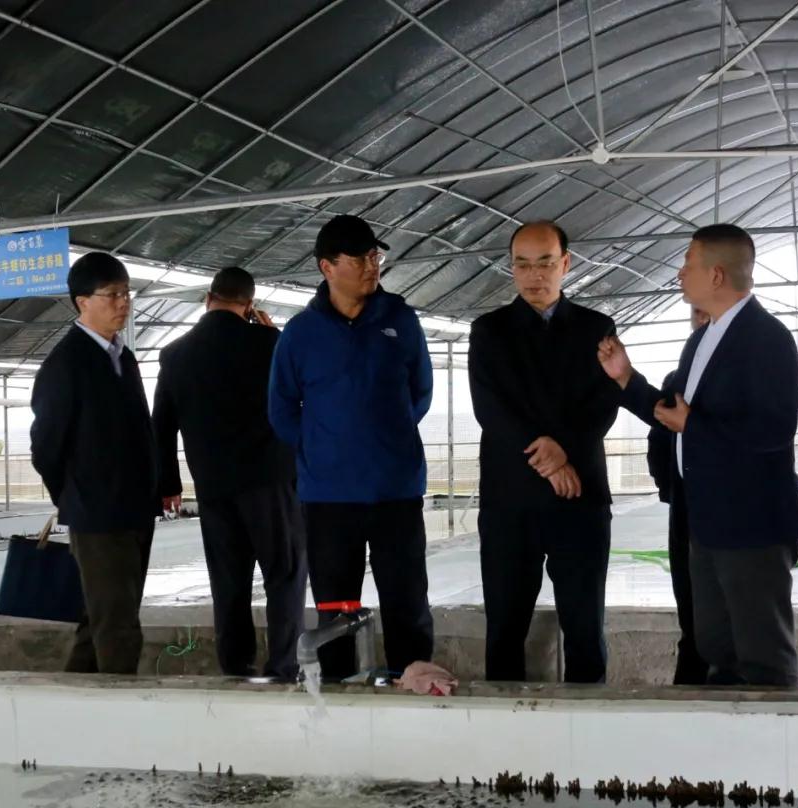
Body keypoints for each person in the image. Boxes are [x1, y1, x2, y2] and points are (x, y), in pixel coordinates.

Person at [599, 223, 798, 688]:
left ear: (716, 275)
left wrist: (695, 426)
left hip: (752, 525)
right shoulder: (702, 339)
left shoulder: (767, 338)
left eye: (688, 263)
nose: (679, 273)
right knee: (716, 650)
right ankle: (725, 732)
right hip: (705, 520)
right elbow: (672, 413)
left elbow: (772, 430)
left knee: (763, 657)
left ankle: (773, 733)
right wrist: (627, 379)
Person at [269, 214, 434, 679]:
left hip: (395, 490)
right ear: (327, 267)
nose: (371, 266)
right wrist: (324, 448)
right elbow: (282, 408)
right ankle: (337, 689)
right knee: (336, 608)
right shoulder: (300, 333)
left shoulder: (400, 320)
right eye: (359, 259)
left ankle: (412, 682)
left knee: (407, 599)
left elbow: (420, 392)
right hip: (329, 498)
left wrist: (386, 435)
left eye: (374, 256)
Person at [469, 220, 622, 683]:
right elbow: (490, 409)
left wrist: (564, 450)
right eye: (522, 265)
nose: (534, 275)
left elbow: (604, 403)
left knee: (585, 630)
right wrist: (549, 457)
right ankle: (505, 725)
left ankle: (589, 719)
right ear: (511, 267)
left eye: (545, 263)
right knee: (504, 630)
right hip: (510, 504)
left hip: (580, 500)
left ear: (565, 264)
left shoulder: (596, 328)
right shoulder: (489, 331)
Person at [152, 267, 307, 682]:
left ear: (208, 298)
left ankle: (237, 667)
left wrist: (168, 485)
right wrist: (272, 334)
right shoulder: (270, 343)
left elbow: (161, 425)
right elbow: (301, 396)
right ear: (250, 305)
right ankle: (283, 666)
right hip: (271, 481)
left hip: (214, 486)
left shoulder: (175, 354)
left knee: (228, 581)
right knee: (284, 574)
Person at [30, 252, 158, 674]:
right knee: (118, 627)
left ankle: (74, 700)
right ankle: (120, 706)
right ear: (82, 301)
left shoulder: (124, 357)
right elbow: (45, 446)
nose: (123, 303)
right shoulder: (65, 364)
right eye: (112, 295)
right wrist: (74, 495)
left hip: (133, 509)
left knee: (99, 618)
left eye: (127, 293)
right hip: (98, 514)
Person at [646, 304, 710, 685]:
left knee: (731, 622)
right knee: (691, 613)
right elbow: (657, 438)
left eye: (707, 313)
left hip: (730, 516)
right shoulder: (677, 379)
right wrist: (670, 489)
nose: (701, 320)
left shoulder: (748, 364)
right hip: (685, 514)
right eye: (696, 314)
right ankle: (690, 693)